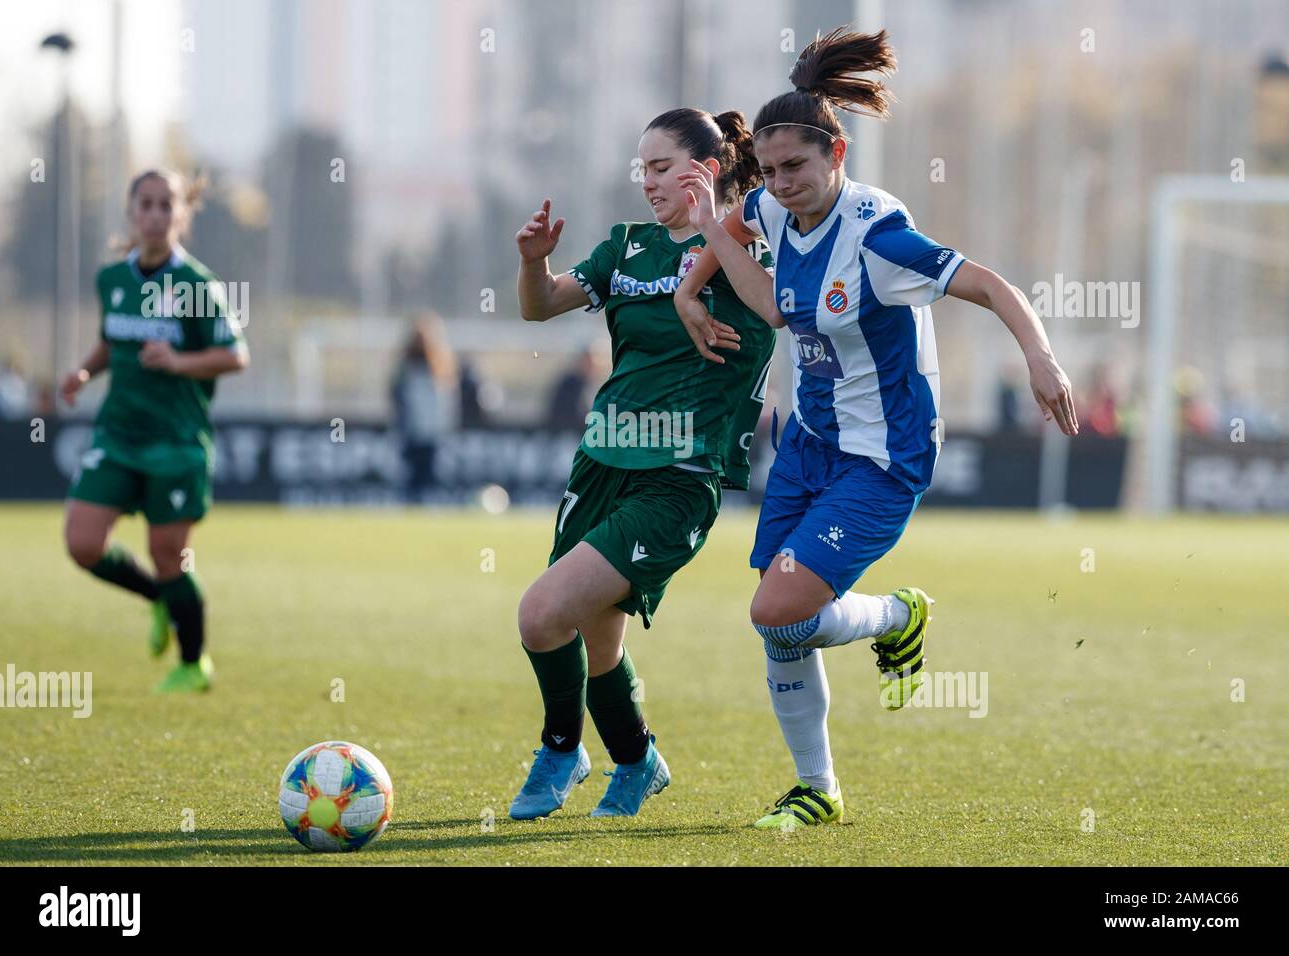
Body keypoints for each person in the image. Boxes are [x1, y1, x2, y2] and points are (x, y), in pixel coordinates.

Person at [674, 27, 1078, 828]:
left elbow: (993, 285)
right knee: (781, 625)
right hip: (807, 444)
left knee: (774, 610)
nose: (782, 184)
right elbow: (756, 262)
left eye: (799, 168)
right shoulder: (769, 205)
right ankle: (816, 787)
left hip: (883, 458)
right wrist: (692, 288)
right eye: (774, 169)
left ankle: (898, 615)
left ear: (838, 154)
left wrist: (1042, 356)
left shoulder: (880, 240)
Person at [509, 107, 775, 819]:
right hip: (601, 463)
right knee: (595, 642)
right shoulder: (626, 247)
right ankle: (636, 761)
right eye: (643, 169)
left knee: (540, 615)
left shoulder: (750, 247)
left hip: (679, 479)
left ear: (705, 170)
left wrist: (711, 241)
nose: (647, 182)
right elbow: (541, 308)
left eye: (661, 168)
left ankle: (561, 748)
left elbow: (774, 311)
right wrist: (534, 260)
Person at [60, 169, 248, 693]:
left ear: (180, 216)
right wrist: (83, 371)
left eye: (166, 205)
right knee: (82, 544)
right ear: (131, 212)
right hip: (118, 437)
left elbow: (235, 355)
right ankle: (159, 598)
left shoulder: (196, 286)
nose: (155, 215)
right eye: (145, 204)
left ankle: (193, 663)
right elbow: (110, 341)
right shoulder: (112, 280)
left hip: (176, 443)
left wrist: (179, 360)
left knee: (170, 556)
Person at [390, 311, 458, 498]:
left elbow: (446, 403)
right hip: (412, 433)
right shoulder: (406, 369)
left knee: (431, 479)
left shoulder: (441, 367)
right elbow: (397, 399)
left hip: (433, 433)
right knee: (412, 478)